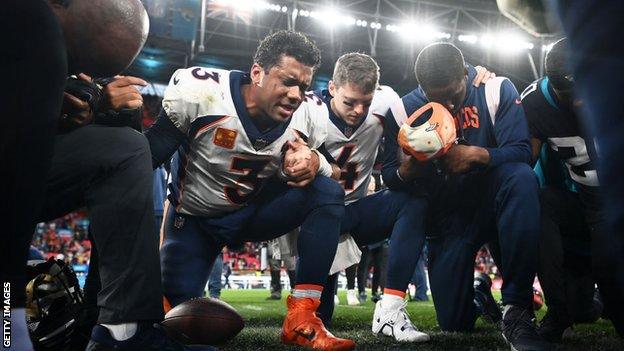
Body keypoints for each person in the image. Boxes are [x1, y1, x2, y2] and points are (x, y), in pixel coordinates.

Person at [145, 30, 356, 351]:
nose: (297, 94)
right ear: (257, 73)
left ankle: (302, 316)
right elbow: (148, 155)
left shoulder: (309, 114)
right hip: (195, 222)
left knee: (326, 191)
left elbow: (336, 171)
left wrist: (314, 160)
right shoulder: (203, 93)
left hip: (255, 215)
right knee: (178, 325)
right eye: (287, 81)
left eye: (304, 86)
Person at [0, 1, 174, 350]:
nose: (76, 77)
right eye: (74, 63)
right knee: (127, 149)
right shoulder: (33, 22)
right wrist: (9, 313)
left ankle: (115, 327)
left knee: (124, 147)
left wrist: (91, 106)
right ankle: (121, 330)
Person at [382, 42, 550, 351]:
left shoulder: (495, 88)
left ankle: (517, 309)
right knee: (454, 322)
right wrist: (409, 171)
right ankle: (478, 293)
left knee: (521, 178)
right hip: (450, 218)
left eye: (453, 94)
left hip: (494, 203)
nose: (448, 104)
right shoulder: (405, 109)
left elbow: (524, 153)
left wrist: (478, 154)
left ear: (465, 73)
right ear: (421, 87)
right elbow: (389, 176)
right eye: (437, 97)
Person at [521, 37, 619, 340]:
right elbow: (525, 161)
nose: (578, 102)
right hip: (579, 205)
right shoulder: (535, 102)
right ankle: (558, 311)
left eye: (584, 91)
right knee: (530, 194)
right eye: (567, 94)